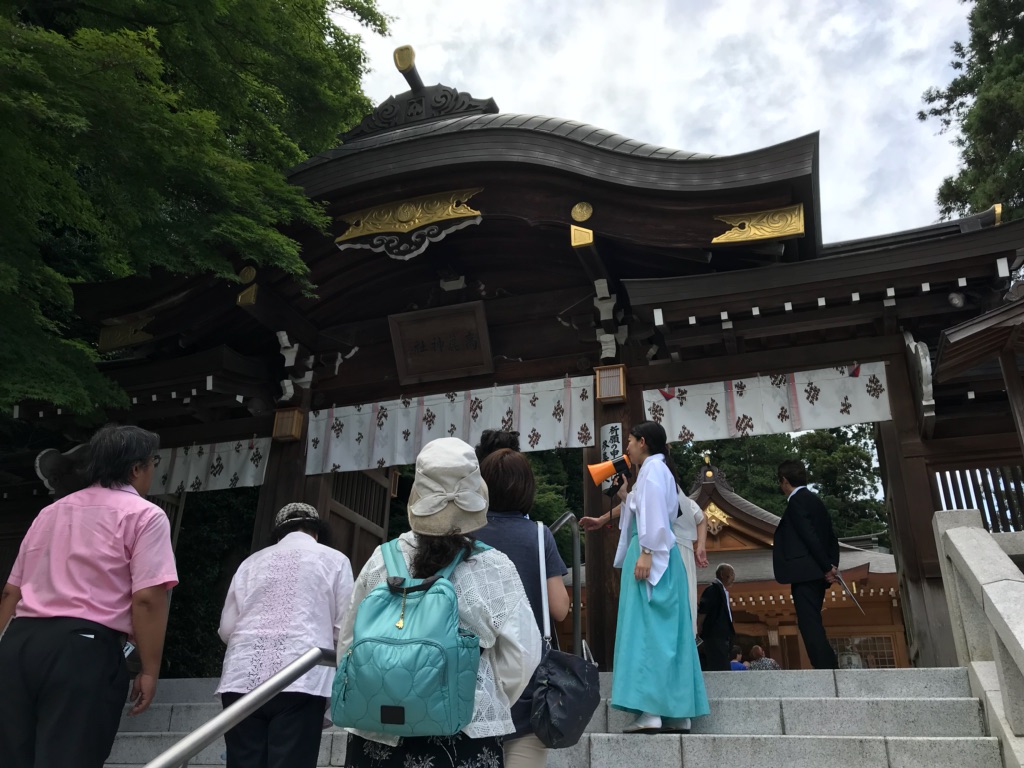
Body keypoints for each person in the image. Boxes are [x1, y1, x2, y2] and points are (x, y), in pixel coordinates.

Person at [338, 437, 543, 767]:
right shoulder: (493, 567)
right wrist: (481, 688)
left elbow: (348, 642)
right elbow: (523, 655)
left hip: (377, 724)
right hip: (464, 734)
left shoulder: (380, 560)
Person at [0, 424, 178, 768]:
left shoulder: (50, 512)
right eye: (152, 464)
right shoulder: (144, 515)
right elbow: (147, 599)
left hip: (19, 645)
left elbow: (11, 591)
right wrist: (149, 669)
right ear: (136, 468)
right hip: (82, 648)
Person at [216, 502, 353, 768]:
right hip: (301, 675)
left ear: (278, 534)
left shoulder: (250, 563)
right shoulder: (335, 560)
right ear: (317, 532)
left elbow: (227, 629)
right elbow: (344, 629)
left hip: (242, 677)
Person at [610, 421, 709, 734]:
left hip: (652, 552)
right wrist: (626, 495)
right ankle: (678, 712)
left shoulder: (653, 469)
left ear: (642, 442)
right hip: (667, 556)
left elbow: (652, 513)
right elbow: (647, 506)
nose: (627, 447)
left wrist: (647, 551)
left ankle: (651, 710)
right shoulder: (659, 470)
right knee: (671, 634)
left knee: (647, 630)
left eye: (630, 441)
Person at [475, 448, 570, 768]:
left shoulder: (465, 536)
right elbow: (559, 608)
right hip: (529, 688)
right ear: (527, 488)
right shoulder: (540, 535)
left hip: (473, 684)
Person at [773, 459, 840, 669]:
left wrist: (826, 567)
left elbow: (809, 536)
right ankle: (827, 665)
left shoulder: (796, 502)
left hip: (805, 572)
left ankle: (826, 667)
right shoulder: (815, 500)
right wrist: (831, 565)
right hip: (818, 572)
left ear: (784, 480)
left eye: (780, 481)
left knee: (809, 623)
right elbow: (831, 537)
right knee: (813, 621)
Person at [673, 491, 709, 637]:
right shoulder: (682, 498)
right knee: (685, 598)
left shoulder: (671, 493)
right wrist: (701, 546)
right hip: (684, 549)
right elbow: (702, 517)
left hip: (672, 549)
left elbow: (702, 517)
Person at [697, 563, 736, 672]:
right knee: (718, 667)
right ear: (723, 574)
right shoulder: (712, 589)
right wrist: (699, 629)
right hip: (714, 636)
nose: (734, 577)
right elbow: (703, 612)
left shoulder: (722, 591)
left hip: (723, 637)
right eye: (732, 574)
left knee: (723, 665)